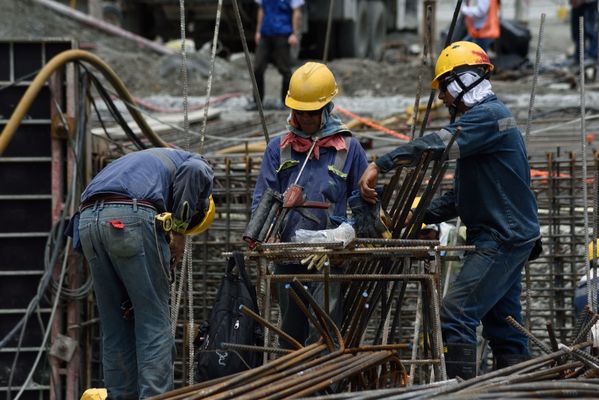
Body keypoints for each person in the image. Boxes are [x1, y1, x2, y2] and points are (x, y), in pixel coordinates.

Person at [358, 41, 541, 379]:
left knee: (456, 314)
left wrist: (380, 163)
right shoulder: (484, 124)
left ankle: (462, 390)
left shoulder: (489, 117)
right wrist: (419, 214)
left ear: (461, 82)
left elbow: (438, 144)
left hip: (503, 236)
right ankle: (517, 389)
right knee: (505, 328)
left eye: (443, 88)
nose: (441, 98)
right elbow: (462, 197)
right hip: (504, 233)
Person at [75, 148, 215, 399]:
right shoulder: (194, 162)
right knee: (154, 323)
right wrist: (181, 232)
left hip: (87, 223)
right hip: (130, 217)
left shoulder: (141, 165)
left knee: (115, 325)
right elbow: (194, 172)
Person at [251, 62, 368, 348]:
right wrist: (265, 233)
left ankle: (324, 389)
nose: (304, 118)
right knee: (291, 336)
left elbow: (366, 205)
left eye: (311, 112)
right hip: (287, 255)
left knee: (325, 334)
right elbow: (262, 198)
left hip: (328, 258)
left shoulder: (348, 149)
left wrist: (349, 235)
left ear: (326, 108)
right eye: (299, 111)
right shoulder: (279, 148)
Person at [251, 0, 303, 109]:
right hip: (266, 33)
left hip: (283, 34)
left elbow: (296, 13)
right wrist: (258, 31)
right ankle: (257, 102)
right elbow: (261, 9)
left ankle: (286, 102)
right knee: (257, 68)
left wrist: (294, 33)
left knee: (285, 70)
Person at [570, 0, 598, 64]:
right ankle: (578, 57)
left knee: (590, 30)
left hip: (589, 3)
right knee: (577, 32)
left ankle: (592, 56)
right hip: (576, 5)